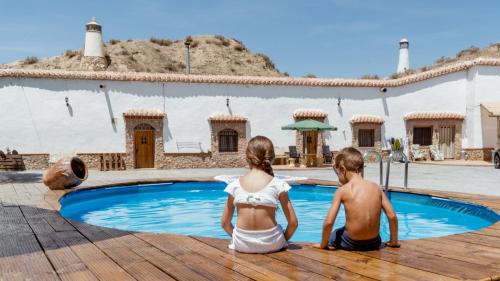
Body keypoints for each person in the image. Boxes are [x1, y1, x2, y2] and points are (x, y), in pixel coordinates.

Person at [221, 136, 298, 253]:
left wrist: (239, 238)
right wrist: (282, 240)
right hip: (272, 243)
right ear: (271, 158)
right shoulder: (278, 184)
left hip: (242, 244)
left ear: (247, 158)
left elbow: (225, 223)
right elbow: (293, 223)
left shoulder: (234, 185)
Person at [314, 147, 400, 251]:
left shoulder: (342, 191)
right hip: (374, 242)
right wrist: (394, 241)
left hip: (351, 242)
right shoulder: (376, 188)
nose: (338, 177)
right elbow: (392, 216)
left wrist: (323, 245)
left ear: (342, 169)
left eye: (337, 173)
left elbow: (329, 222)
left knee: (335, 233)